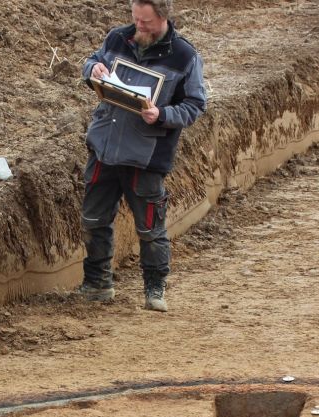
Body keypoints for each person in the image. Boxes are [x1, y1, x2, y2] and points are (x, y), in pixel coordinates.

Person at [79, 0, 207, 312]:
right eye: (135, 18)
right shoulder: (117, 38)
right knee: (93, 220)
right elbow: (92, 62)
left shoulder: (185, 56)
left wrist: (162, 114)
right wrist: (92, 69)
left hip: (145, 157)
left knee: (150, 228)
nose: (138, 26)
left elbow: (195, 105)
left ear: (163, 17)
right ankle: (97, 284)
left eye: (145, 22)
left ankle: (154, 289)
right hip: (105, 148)